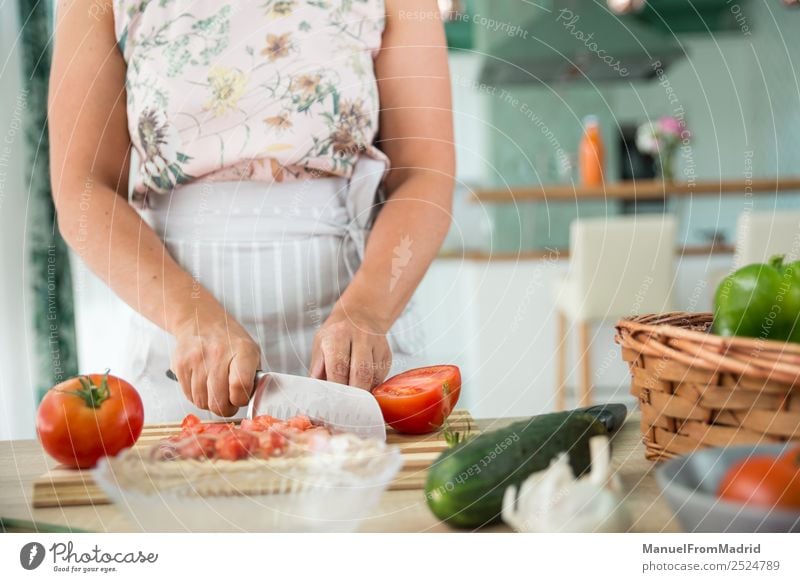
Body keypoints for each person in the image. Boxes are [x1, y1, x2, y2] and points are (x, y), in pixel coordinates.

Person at [49, 0, 455, 421]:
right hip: (178, 345)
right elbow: (83, 187)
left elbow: (423, 175)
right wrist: (189, 316)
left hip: (356, 335)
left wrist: (367, 311)